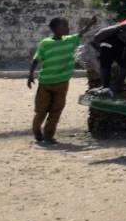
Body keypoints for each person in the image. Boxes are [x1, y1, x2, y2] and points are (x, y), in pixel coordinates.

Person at [28, 14, 98, 143]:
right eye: (64, 25)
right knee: (41, 110)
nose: (68, 27)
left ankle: (49, 135)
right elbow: (36, 59)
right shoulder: (45, 43)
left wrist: (91, 23)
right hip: (45, 82)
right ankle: (36, 129)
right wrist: (30, 74)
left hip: (62, 82)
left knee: (56, 110)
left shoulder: (70, 40)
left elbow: (82, 33)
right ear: (56, 28)